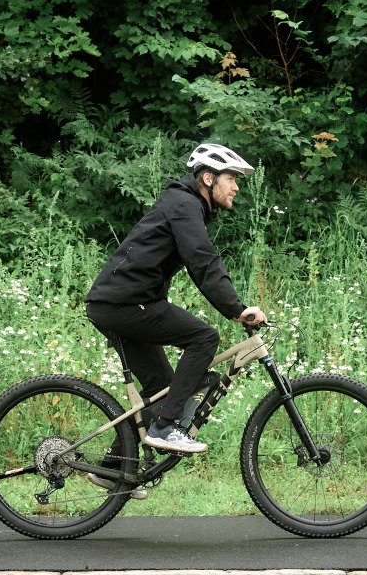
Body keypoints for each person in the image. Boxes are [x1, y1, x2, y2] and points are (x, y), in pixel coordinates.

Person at [84, 143, 267, 495]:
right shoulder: (184, 204)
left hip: (122, 303)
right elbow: (203, 261)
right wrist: (236, 308)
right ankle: (166, 428)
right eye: (231, 179)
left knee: (161, 391)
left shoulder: (185, 204)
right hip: (123, 304)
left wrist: (233, 306)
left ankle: (111, 468)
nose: (237, 187)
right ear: (208, 178)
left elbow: (201, 262)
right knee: (203, 338)